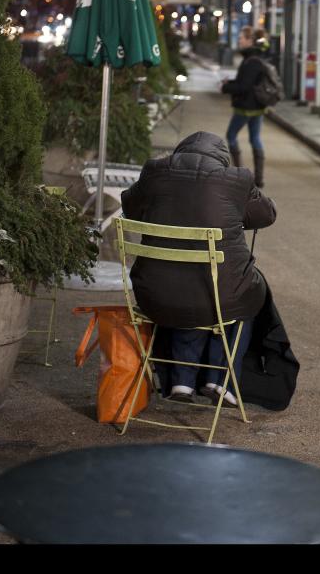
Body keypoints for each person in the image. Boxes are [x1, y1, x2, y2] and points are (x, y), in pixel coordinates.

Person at [120, 131, 277, 408]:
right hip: (216, 296)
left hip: (154, 295)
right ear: (221, 159)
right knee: (241, 292)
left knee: (188, 285)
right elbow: (266, 215)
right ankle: (219, 381)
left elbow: (130, 206)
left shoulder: (155, 170)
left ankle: (182, 379)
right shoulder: (237, 179)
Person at [220, 26, 271, 188]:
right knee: (255, 137)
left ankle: (239, 175)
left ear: (250, 41)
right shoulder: (257, 59)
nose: (239, 40)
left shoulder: (251, 61)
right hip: (258, 107)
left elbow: (244, 87)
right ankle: (259, 178)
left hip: (246, 107)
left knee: (231, 135)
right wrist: (231, 84)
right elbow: (246, 83)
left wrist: (226, 87)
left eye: (242, 38)